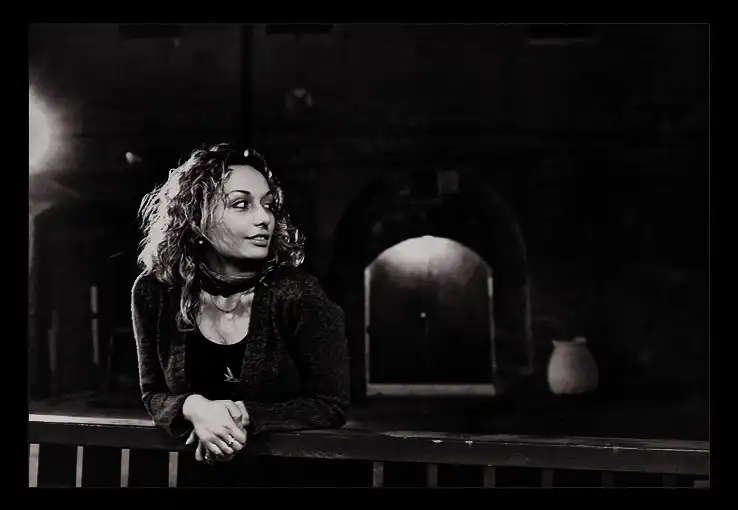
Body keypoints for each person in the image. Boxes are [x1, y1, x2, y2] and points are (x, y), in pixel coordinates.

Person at [130, 143, 350, 486]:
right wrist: (194, 407)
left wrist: (242, 414)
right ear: (196, 218)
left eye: (268, 204)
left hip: (289, 480)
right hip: (201, 479)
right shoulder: (155, 292)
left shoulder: (298, 294)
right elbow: (153, 393)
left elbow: (330, 404)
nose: (264, 218)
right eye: (241, 204)